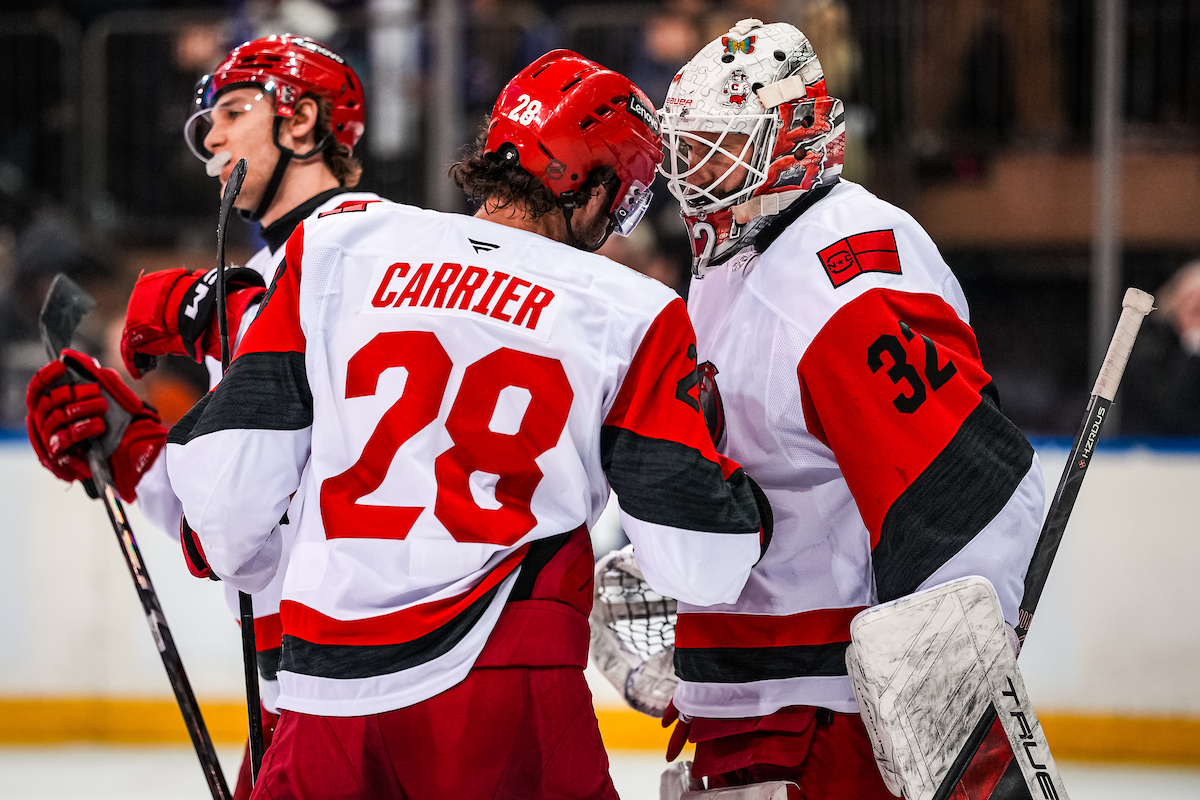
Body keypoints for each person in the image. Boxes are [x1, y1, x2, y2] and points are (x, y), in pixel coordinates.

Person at [165, 50, 772, 799]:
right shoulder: (632, 309)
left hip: (325, 696)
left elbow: (225, 511)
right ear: (592, 186)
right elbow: (701, 564)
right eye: (623, 203)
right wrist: (746, 494)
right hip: (504, 693)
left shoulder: (338, 245)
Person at [655, 19, 1044, 798]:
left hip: (832, 711)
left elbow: (967, 489)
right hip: (750, 696)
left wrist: (955, 696)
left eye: (720, 147)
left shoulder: (844, 278)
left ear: (792, 141)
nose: (694, 173)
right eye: (688, 147)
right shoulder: (737, 250)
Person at [24, 34, 378, 800]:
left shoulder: (363, 242)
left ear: (304, 121)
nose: (210, 137)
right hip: (296, 682)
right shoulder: (263, 275)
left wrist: (234, 311)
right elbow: (240, 515)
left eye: (233, 110)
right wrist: (134, 449)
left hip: (364, 683)